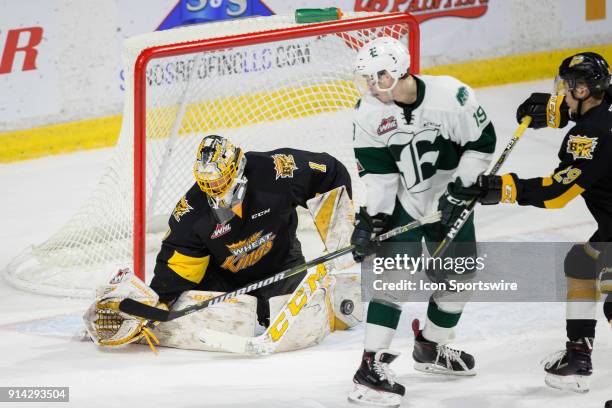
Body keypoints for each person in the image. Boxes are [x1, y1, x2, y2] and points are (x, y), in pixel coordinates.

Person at [84, 135, 361, 352]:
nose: (216, 190)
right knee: (232, 320)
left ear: (238, 166)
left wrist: (341, 238)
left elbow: (329, 173)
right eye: (209, 184)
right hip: (224, 283)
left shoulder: (276, 171)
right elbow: (179, 263)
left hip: (282, 267)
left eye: (221, 180)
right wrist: (162, 301)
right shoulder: (191, 212)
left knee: (325, 317)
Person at [347, 36, 497, 406]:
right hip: (409, 201)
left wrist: (461, 191)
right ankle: (370, 367)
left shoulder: (452, 95)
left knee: (461, 277)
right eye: (366, 79)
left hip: (451, 201)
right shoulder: (368, 112)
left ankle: (431, 346)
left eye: (378, 78)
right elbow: (380, 178)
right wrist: (373, 221)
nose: (371, 87)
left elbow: (483, 143)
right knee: (393, 278)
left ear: (398, 71)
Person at [474, 52, 612, 393]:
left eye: (567, 88)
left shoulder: (590, 136)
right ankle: (578, 355)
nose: (562, 92)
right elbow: (585, 110)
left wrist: (503, 188)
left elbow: (556, 194)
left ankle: (579, 356)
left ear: (582, 91)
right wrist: (553, 111)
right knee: (581, 262)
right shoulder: (603, 107)